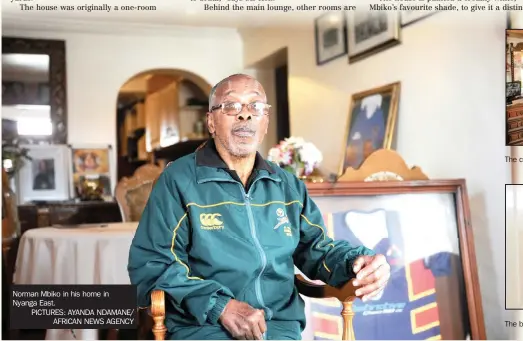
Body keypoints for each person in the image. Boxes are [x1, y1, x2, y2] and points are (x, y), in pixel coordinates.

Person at [128, 74, 391, 340]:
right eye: (231, 106)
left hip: (278, 327)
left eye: (255, 107)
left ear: (265, 122)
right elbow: (152, 264)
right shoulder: (179, 180)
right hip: (204, 327)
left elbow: (316, 248)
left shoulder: (287, 185)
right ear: (211, 122)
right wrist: (219, 306)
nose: (245, 116)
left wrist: (357, 262)